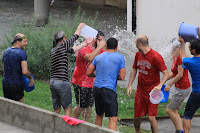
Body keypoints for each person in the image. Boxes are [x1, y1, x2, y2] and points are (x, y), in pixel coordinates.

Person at [126, 35, 169, 133]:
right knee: (137, 116)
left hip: (153, 92)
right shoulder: (138, 54)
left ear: (140, 44)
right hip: (140, 91)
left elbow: (166, 73)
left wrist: (159, 85)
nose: (135, 46)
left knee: (151, 117)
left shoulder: (155, 56)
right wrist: (129, 85)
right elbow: (134, 69)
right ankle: (138, 132)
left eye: (136, 44)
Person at [86, 37, 125, 130]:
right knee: (113, 118)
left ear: (106, 46)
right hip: (108, 90)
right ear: (117, 47)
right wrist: (114, 76)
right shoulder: (120, 57)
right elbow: (122, 77)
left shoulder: (99, 57)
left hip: (96, 89)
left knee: (99, 115)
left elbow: (88, 72)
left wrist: (97, 74)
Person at [50, 23, 89, 116]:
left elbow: (73, 49)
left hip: (53, 82)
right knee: (67, 108)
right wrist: (79, 27)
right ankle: (66, 128)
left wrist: (85, 43)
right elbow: (76, 36)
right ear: (63, 39)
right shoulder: (63, 45)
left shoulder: (55, 50)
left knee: (56, 109)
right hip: (62, 82)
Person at [71, 31, 106, 122]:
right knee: (81, 106)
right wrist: (99, 47)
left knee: (89, 106)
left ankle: (85, 124)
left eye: (102, 40)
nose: (101, 42)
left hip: (91, 82)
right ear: (94, 38)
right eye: (100, 40)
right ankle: (72, 123)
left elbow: (106, 57)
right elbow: (90, 58)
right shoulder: (85, 47)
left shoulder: (99, 48)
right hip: (80, 81)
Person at [164, 39, 191, 133]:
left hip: (183, 88)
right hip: (179, 88)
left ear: (178, 48)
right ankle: (179, 130)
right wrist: (163, 80)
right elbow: (174, 72)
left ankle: (180, 131)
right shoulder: (175, 57)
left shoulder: (180, 58)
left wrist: (169, 84)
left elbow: (180, 74)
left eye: (172, 48)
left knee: (169, 110)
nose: (171, 50)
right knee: (174, 110)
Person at [2, 33, 34, 103]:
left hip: (5, 83)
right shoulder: (22, 53)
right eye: (24, 41)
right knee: (20, 107)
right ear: (18, 42)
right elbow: (25, 72)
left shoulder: (6, 51)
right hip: (16, 84)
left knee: (8, 106)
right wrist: (30, 78)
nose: (26, 43)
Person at [179, 37, 200, 133]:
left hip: (197, 94)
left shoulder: (190, 62)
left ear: (194, 50)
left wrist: (182, 44)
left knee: (187, 115)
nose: (188, 49)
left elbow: (182, 58)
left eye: (190, 47)